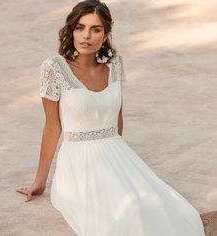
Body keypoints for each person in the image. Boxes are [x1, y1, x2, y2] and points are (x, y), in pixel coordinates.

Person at [16, 0, 206, 235]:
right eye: (80, 27)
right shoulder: (54, 67)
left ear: (105, 35)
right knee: (127, 214)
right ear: (71, 30)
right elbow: (52, 127)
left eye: (95, 29)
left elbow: (118, 117)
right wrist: (40, 181)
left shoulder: (114, 64)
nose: (86, 36)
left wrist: (121, 162)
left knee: (160, 206)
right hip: (78, 162)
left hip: (115, 151)